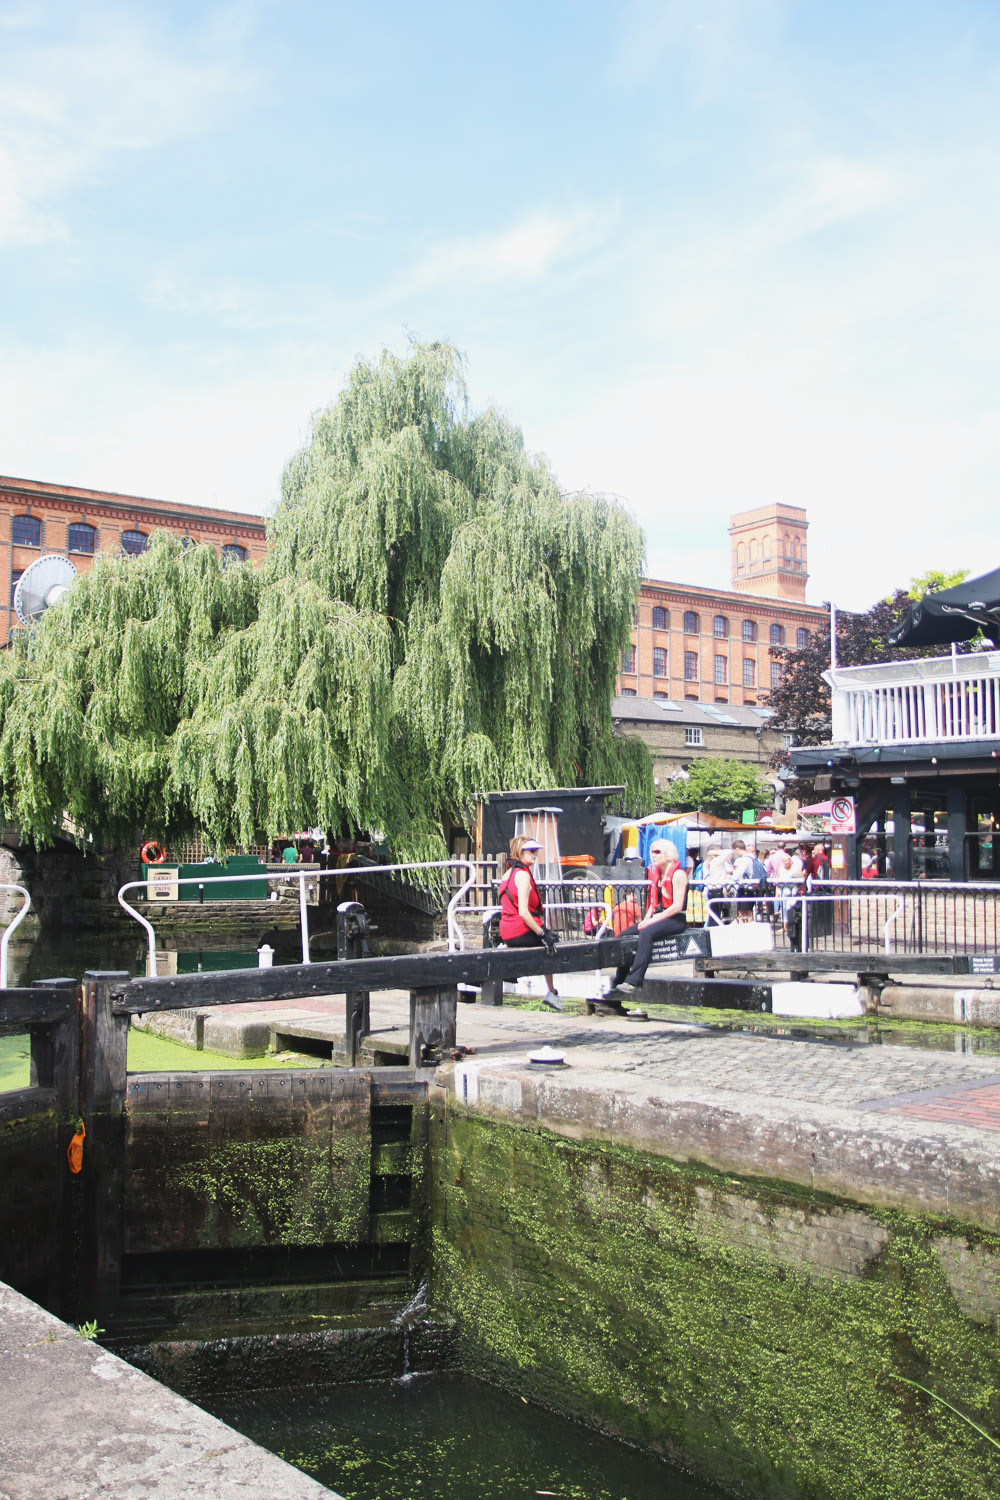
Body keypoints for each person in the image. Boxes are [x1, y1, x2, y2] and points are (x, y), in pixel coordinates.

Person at [611, 838, 689, 994]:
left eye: (657, 852)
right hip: (659, 916)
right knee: (623, 936)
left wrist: (651, 922)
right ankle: (619, 979)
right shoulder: (657, 875)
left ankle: (635, 981)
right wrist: (647, 919)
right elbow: (654, 904)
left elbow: (677, 906)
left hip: (675, 919)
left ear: (668, 855)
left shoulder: (678, 874)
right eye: (652, 852)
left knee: (647, 933)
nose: (653, 855)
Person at [497, 836, 561, 1010]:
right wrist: (542, 934)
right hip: (520, 931)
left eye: (536, 851)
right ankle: (552, 993)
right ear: (520, 851)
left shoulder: (506, 875)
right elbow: (524, 913)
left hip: (506, 932)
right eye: (531, 851)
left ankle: (550, 992)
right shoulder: (523, 876)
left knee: (548, 937)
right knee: (552, 944)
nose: (535, 854)